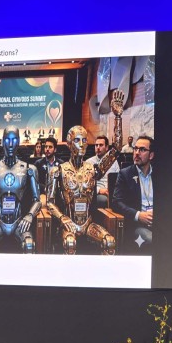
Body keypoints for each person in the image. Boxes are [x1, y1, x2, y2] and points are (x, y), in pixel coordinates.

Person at [46, 89, 124, 255]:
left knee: (109, 242)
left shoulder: (92, 169)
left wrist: (118, 117)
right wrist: (62, 218)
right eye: (76, 140)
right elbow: (50, 203)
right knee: (70, 242)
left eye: (84, 140)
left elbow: (116, 149)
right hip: (68, 223)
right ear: (69, 144)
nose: (81, 144)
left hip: (88, 224)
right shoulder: (58, 170)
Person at [0, 126, 41, 253]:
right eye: (7, 140)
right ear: (2, 141)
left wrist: (29, 215)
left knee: (29, 245)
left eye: (14, 140)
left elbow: (37, 200)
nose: (10, 144)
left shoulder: (29, 169)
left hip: (19, 221)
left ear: (19, 141)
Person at [112, 135, 154, 252]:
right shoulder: (125, 174)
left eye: (142, 150)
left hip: (159, 222)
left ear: (151, 155)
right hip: (137, 225)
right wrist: (138, 215)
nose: (137, 153)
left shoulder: (160, 174)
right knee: (153, 239)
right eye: (135, 149)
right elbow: (116, 202)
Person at [86, 135, 120, 208]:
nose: (98, 147)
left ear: (107, 147)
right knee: (104, 200)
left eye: (101, 145)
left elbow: (118, 180)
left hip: (111, 192)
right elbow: (86, 184)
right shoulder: (88, 163)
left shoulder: (114, 162)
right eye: (96, 145)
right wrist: (99, 190)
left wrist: (111, 191)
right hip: (97, 192)